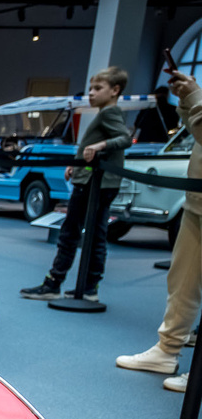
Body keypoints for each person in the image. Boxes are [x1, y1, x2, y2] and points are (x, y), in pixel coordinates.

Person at [116, 69, 202, 392]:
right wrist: (188, 99)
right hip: (197, 199)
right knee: (181, 282)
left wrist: (194, 97)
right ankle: (167, 350)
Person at [21, 67, 133, 301]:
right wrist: (78, 163)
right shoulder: (106, 113)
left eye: (98, 88)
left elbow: (124, 138)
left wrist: (98, 147)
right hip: (94, 181)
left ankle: (55, 284)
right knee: (91, 234)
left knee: (73, 233)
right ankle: (87, 287)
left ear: (115, 90)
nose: (91, 93)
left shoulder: (109, 114)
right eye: (91, 88)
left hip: (94, 185)